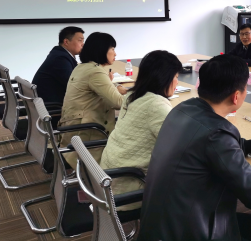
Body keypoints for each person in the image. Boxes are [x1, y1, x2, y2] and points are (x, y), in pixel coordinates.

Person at [136, 55, 251, 241]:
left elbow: (209, 146)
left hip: (161, 232)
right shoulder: (217, 135)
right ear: (236, 96)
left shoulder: (182, 109)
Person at [100, 50, 183, 211]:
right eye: (176, 77)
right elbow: (180, 145)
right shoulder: (156, 105)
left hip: (109, 177)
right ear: (164, 78)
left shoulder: (132, 95)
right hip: (129, 185)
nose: (177, 82)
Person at [58, 32, 127, 168]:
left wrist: (114, 87)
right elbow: (118, 103)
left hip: (72, 130)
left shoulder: (82, 67)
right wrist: (138, 95)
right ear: (102, 50)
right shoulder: (95, 72)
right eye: (112, 49)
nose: (115, 53)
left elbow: (97, 88)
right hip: (87, 134)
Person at [32, 27, 85, 105]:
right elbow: (73, 85)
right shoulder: (61, 58)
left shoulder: (59, 53)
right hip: (53, 105)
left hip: (47, 101)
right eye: (80, 40)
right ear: (66, 42)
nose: (83, 44)